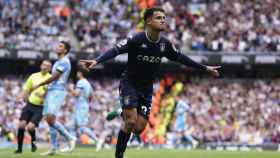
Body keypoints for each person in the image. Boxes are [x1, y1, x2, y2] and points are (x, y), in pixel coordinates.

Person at [80, 7, 221, 158]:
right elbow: (115, 50)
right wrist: (96, 60)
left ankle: (122, 112)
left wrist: (205, 68)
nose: (163, 20)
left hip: (147, 88)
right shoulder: (136, 39)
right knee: (130, 122)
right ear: (148, 21)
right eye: (159, 17)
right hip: (129, 83)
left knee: (139, 128)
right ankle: (119, 155)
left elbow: (182, 58)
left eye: (164, 18)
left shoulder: (165, 44)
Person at [31, 41, 76, 155]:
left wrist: (40, 84)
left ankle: (70, 138)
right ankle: (54, 147)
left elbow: (55, 77)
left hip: (58, 92)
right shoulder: (58, 62)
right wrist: (45, 92)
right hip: (52, 91)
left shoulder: (65, 61)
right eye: (58, 45)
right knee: (49, 120)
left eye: (60, 46)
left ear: (65, 50)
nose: (57, 47)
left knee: (51, 119)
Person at [14, 60, 52, 154]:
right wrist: (20, 97)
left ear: (50, 68)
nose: (45, 67)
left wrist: (44, 98)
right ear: (40, 65)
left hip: (40, 107)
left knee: (30, 127)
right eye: (43, 64)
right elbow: (27, 89)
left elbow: (51, 94)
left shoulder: (50, 79)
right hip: (30, 104)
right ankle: (19, 149)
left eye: (47, 66)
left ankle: (33, 142)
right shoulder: (34, 76)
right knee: (21, 125)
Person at [67, 68, 98, 146]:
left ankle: (97, 140)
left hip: (80, 106)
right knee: (71, 126)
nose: (77, 74)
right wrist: (86, 102)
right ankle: (72, 145)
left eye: (78, 72)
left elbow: (76, 94)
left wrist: (71, 89)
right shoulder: (88, 83)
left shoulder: (80, 82)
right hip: (83, 105)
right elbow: (91, 96)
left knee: (82, 127)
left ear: (81, 73)